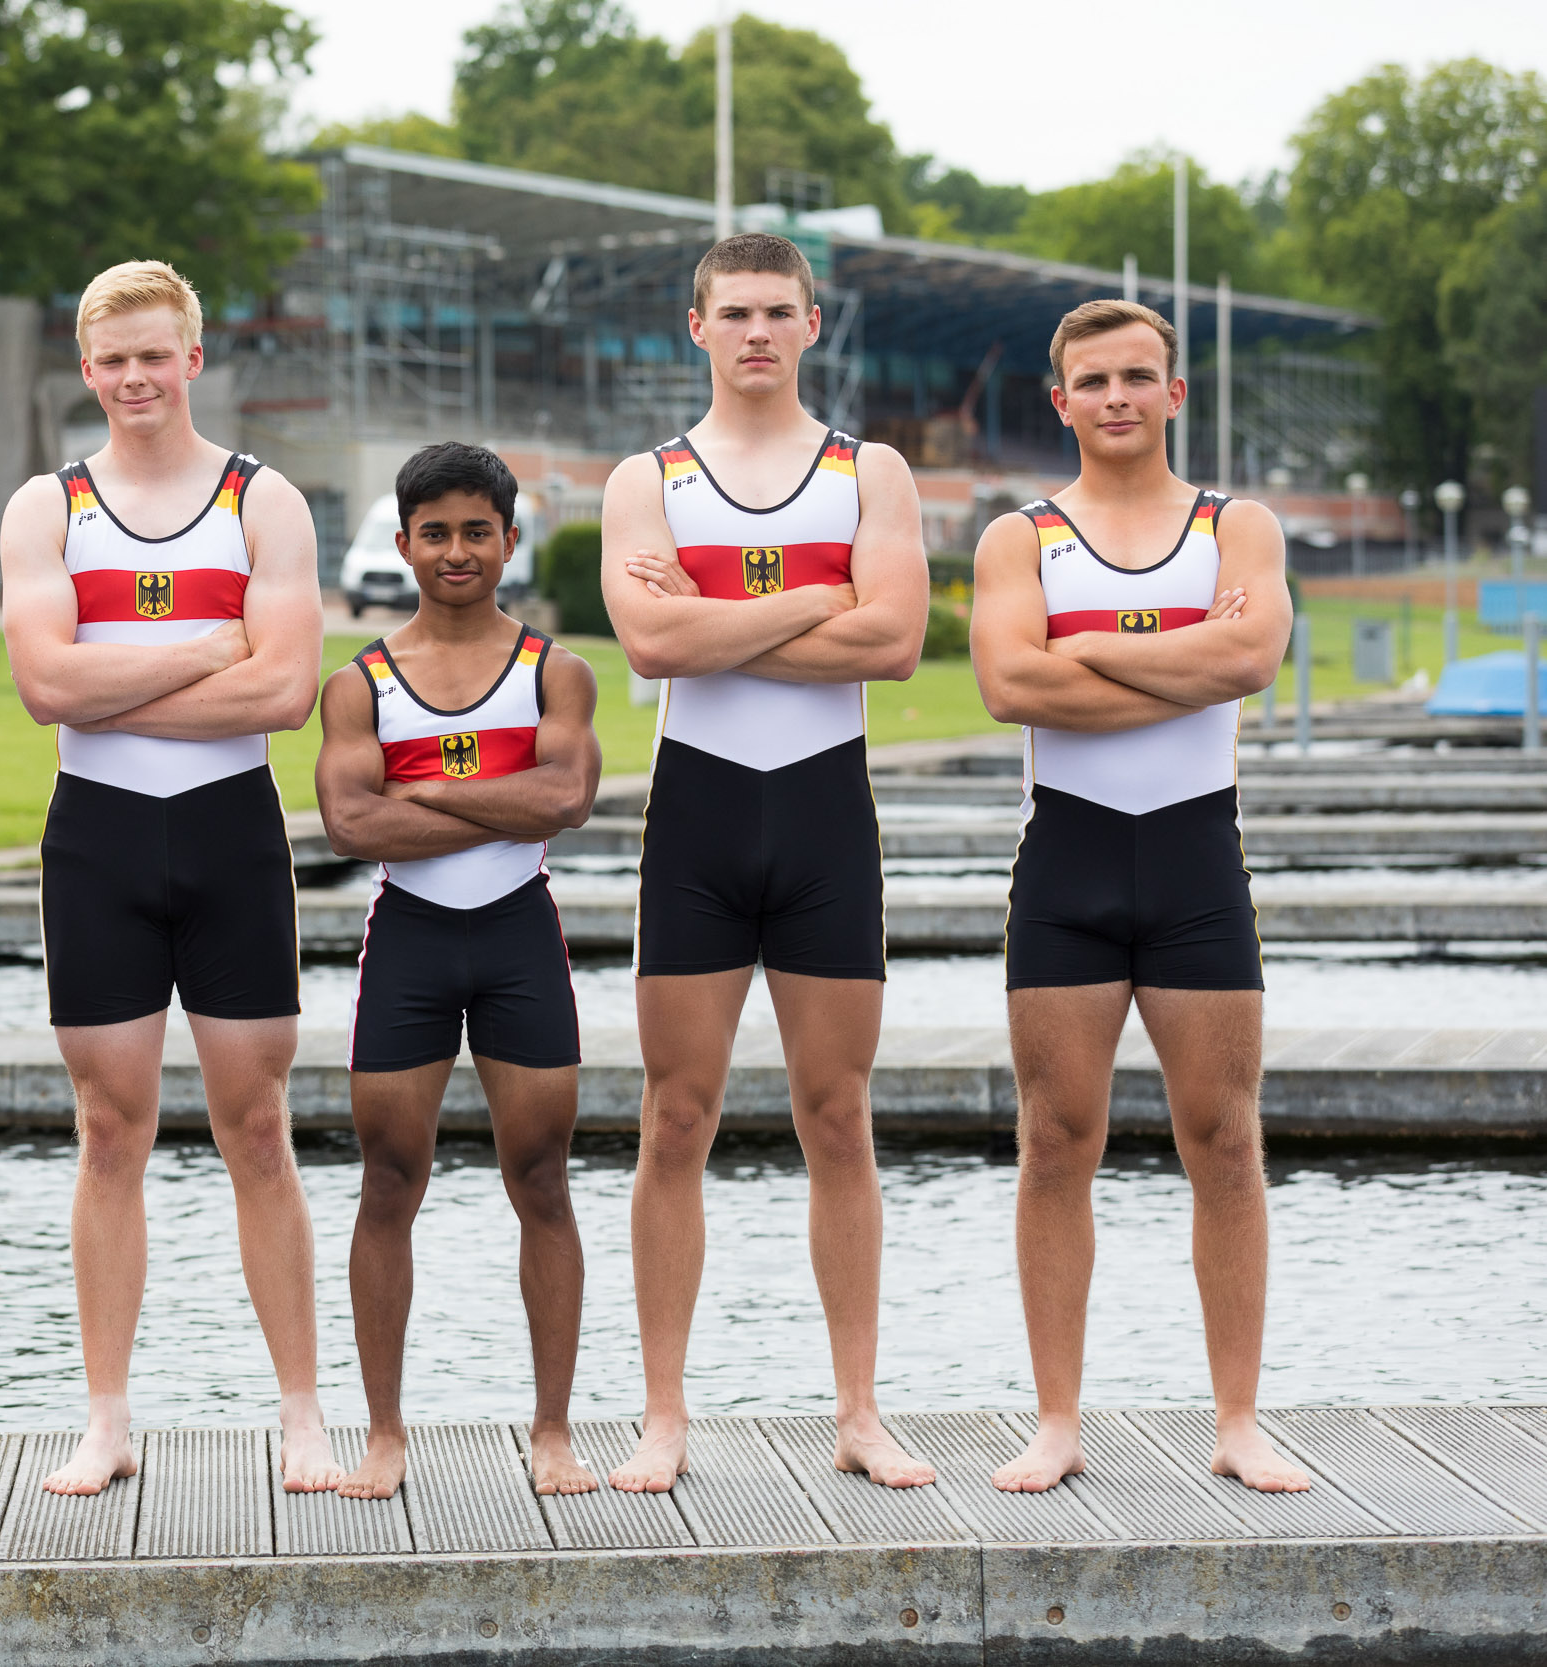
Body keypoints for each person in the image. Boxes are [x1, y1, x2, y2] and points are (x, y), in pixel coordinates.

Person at [600, 232, 935, 1493]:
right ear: (696, 327)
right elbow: (647, 644)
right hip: (697, 815)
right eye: (731, 311)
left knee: (836, 1114)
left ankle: (856, 1407)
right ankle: (664, 1413)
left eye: (775, 311)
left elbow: (895, 640)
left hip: (821, 817)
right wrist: (816, 599)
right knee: (673, 1115)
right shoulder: (650, 477)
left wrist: (716, 616)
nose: (754, 330)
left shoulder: (869, 470)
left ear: (812, 324)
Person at [0, 260, 339, 1495]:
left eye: (157, 354)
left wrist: (125, 667)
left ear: (193, 359)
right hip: (97, 835)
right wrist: (207, 643)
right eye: (113, 359)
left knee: (257, 1123)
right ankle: (106, 1416)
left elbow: (283, 689)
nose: (136, 377)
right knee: (109, 1128)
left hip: (227, 832)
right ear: (87, 372)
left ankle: (301, 1411)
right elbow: (43, 687)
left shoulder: (265, 502)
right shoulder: (48, 506)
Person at [969, 299, 1308, 1495]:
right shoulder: (1020, 538)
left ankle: (1236, 1419)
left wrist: (1088, 652)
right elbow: (1009, 682)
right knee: (1056, 1141)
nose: (1115, 396)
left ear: (1174, 393)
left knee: (1223, 1138)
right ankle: (1056, 1420)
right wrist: (1177, 650)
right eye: (1092, 381)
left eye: (1137, 376)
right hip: (1065, 860)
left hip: (1193, 860)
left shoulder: (1236, 525)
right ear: (1059, 402)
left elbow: (1251, 660)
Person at [314, 442, 602, 1501]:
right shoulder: (361, 683)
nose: (455, 549)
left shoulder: (553, 671)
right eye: (433, 531)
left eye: (476, 529)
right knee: (388, 1180)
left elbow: (563, 801)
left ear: (509, 541)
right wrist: (495, 783)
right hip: (411, 942)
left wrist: (422, 789)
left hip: (518, 933)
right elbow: (348, 822)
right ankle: (384, 1433)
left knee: (541, 1179)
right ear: (402, 544)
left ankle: (554, 1429)